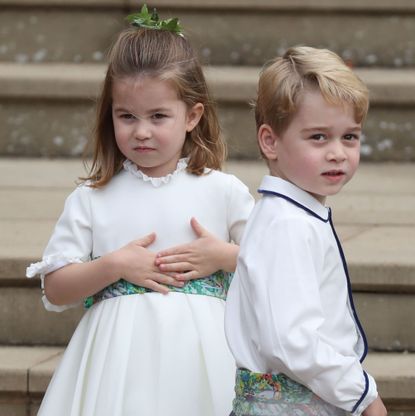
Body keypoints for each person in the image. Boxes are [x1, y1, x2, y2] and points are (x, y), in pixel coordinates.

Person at [26, 6, 254, 415]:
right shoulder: (93, 198)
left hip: (203, 364)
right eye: (126, 116)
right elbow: (56, 289)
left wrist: (224, 256)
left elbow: (276, 264)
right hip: (117, 368)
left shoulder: (222, 191)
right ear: (109, 114)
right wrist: (113, 265)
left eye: (158, 116)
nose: (141, 130)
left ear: (193, 115)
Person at [225, 46, 387, 416]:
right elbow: (293, 340)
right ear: (270, 141)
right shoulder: (287, 225)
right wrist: (361, 394)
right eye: (318, 137)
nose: (338, 153)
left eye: (350, 137)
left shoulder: (294, 215)